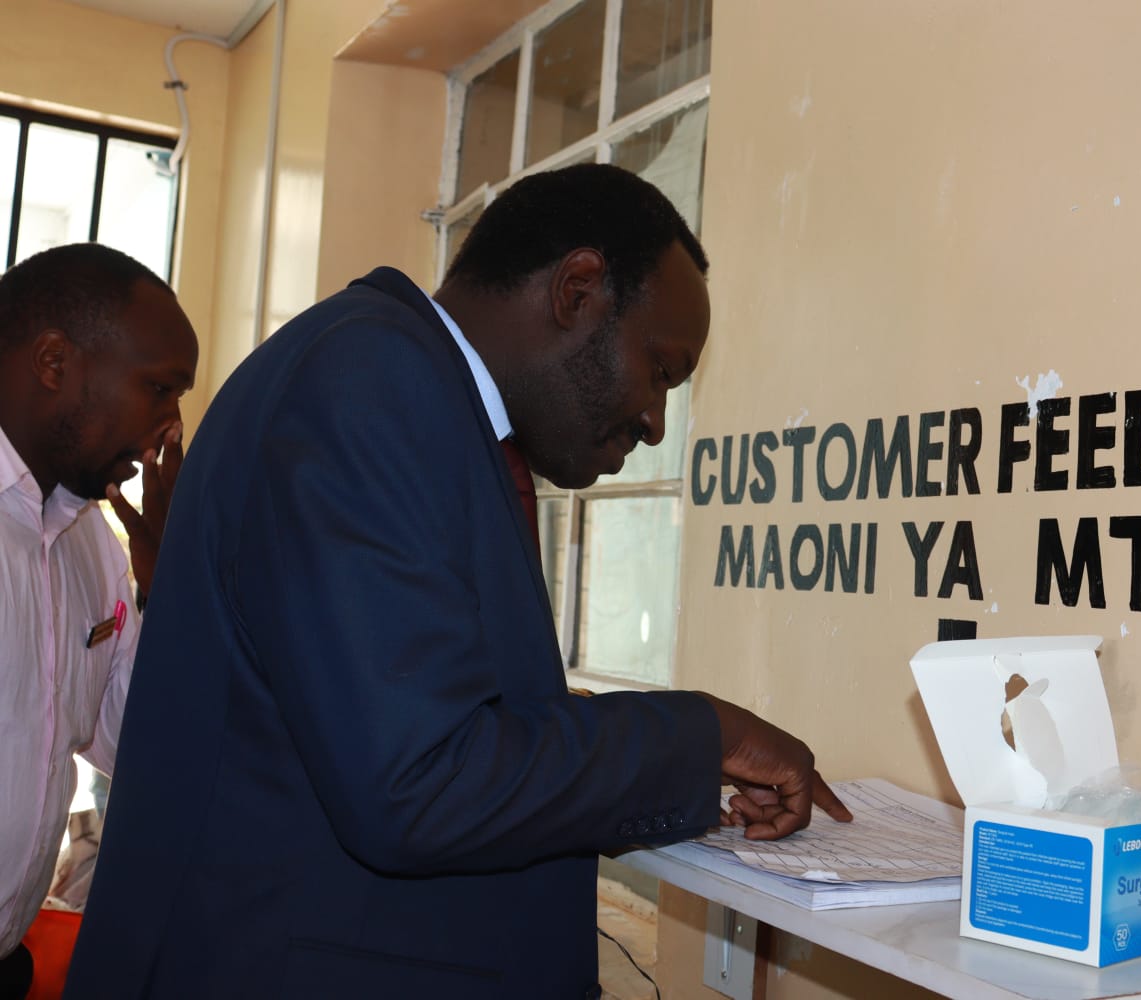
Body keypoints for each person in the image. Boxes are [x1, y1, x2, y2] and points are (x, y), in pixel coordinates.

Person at [66, 164, 851, 999]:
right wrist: (701, 735)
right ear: (578, 289)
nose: (657, 422)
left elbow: (395, 713)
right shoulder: (367, 386)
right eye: (660, 372)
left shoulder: (427, 403)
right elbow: (417, 782)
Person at [0, 243, 197, 1000]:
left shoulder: (94, 547)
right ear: (55, 362)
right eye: (159, 388)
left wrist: (170, 588)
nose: (169, 427)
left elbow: (139, 746)